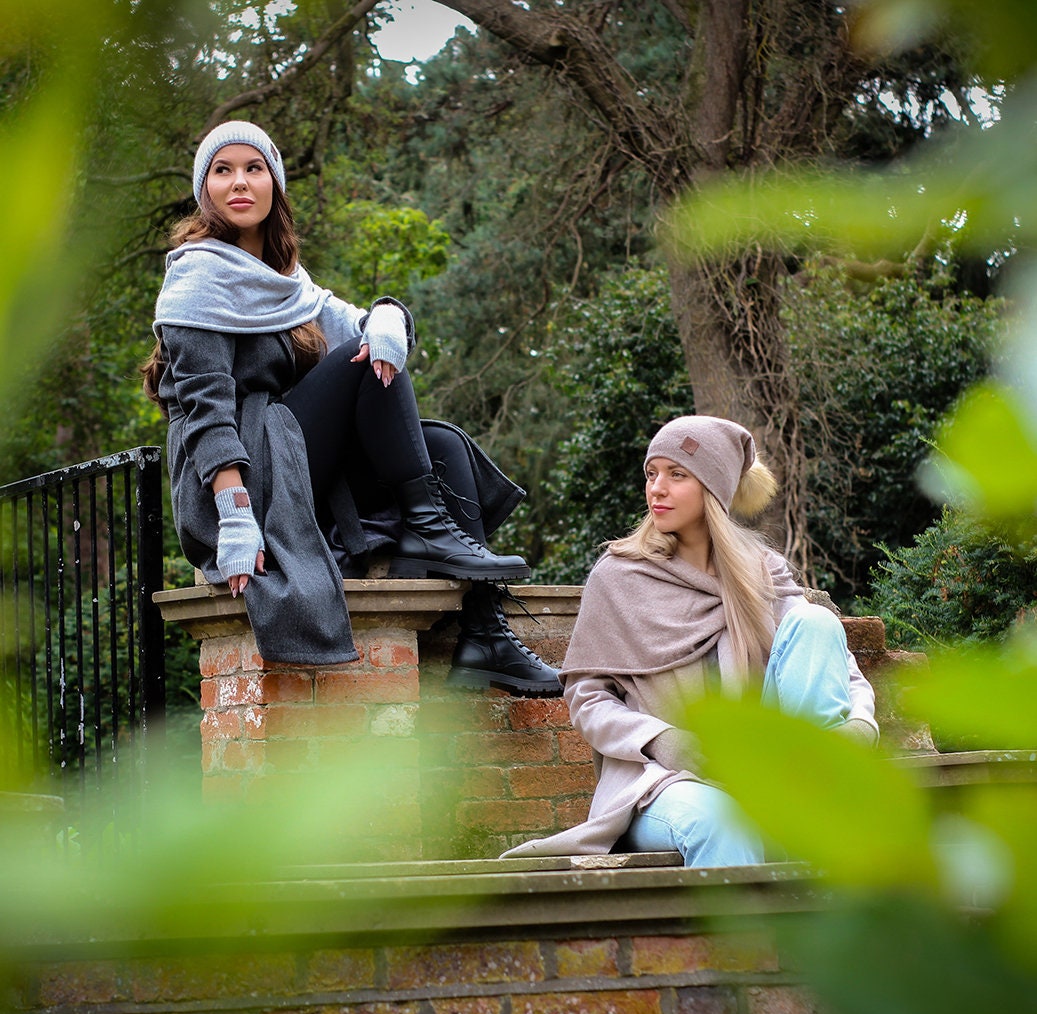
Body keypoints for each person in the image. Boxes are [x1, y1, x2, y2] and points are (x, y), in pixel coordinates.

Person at [141, 120, 560, 696]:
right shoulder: (198, 276)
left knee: (442, 445)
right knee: (361, 363)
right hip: (236, 476)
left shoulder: (287, 282)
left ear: (274, 184)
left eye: (253, 168)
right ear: (205, 188)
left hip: (290, 454)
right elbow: (206, 409)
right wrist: (235, 514)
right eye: (223, 170)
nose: (239, 182)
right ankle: (431, 532)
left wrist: (389, 316)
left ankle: (485, 634)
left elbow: (363, 328)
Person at [502, 415, 878, 866]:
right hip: (662, 783)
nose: (656, 488)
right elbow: (587, 698)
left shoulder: (762, 572)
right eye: (651, 473)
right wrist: (662, 740)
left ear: (713, 488)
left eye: (676, 474)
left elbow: (831, 660)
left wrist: (859, 723)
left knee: (816, 621)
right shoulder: (619, 577)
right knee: (723, 821)